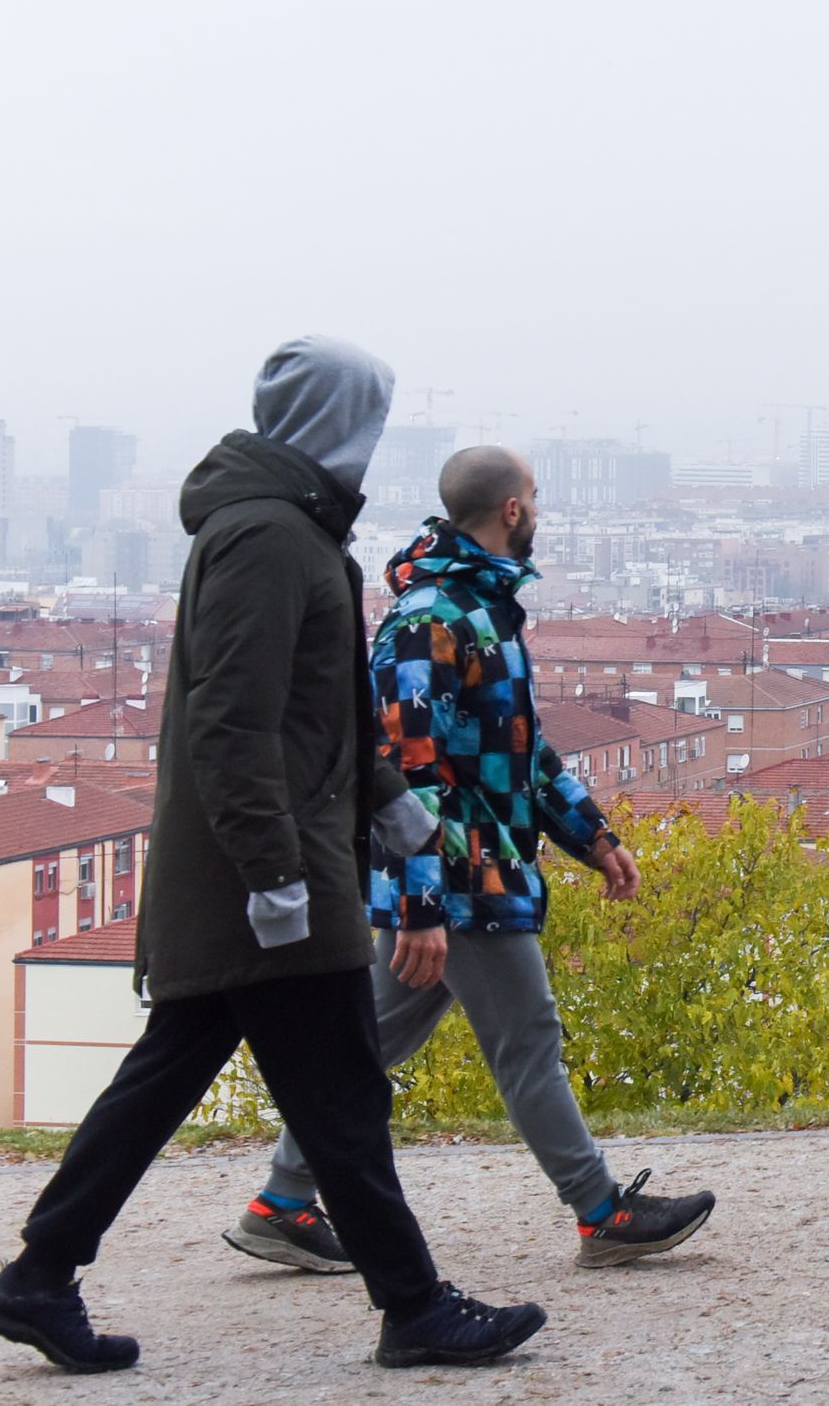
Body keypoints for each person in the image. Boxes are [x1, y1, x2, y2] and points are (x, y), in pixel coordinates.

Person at [0, 338, 546, 1374]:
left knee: (168, 1079)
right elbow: (231, 727)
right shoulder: (271, 540)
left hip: (263, 866)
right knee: (340, 1095)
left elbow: (322, 712)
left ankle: (37, 1277)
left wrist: (398, 811)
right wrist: (277, 877)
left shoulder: (289, 532)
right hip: (268, 879)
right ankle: (415, 1310)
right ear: (341, 427)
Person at [222, 444, 714, 1278]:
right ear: (513, 509)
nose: (540, 512)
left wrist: (592, 835)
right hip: (462, 875)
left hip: (463, 870)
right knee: (528, 1037)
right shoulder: (430, 620)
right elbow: (403, 770)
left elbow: (519, 748)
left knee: (364, 1047)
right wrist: (423, 900)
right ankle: (602, 1211)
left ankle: (280, 1203)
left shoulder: (481, 610)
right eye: (535, 498)